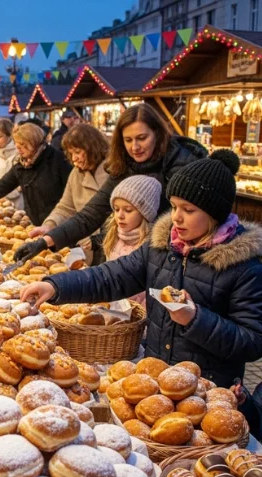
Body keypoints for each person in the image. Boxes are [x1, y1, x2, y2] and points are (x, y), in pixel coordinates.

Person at [22, 150, 262, 388]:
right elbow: (111, 276)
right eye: (175, 206)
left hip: (206, 391)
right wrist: (56, 285)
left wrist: (195, 319)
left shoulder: (243, 266)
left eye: (188, 210)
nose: (177, 218)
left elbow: (252, 341)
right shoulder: (162, 246)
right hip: (157, 383)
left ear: (215, 215)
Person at [15, 103, 208, 262]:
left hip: (172, 257)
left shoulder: (181, 164)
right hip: (128, 257)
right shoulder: (123, 165)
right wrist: (45, 241)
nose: (135, 147)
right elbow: (90, 214)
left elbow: (190, 223)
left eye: (142, 138)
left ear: (157, 134)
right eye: (128, 140)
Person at [28, 124, 110, 263]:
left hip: (111, 247)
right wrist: (50, 225)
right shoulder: (76, 174)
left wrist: (100, 239)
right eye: (71, 153)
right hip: (86, 248)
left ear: (92, 148)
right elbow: (66, 207)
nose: (74, 159)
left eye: (77, 152)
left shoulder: (113, 172)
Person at [0, 122, 72, 226]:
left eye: (23, 144)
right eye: (17, 143)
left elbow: (71, 195)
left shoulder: (57, 160)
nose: (18, 148)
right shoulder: (22, 164)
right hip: (35, 224)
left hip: (59, 224)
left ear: (34, 142)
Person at [101, 176, 161, 307]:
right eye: (116, 209)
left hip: (140, 318)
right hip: (114, 313)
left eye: (128, 210)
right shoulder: (113, 237)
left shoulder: (151, 246)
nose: (120, 216)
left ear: (145, 213)